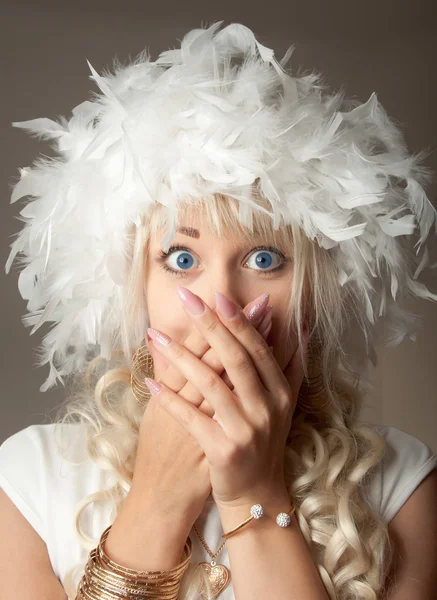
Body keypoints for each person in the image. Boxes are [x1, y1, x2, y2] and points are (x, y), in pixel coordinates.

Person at [1, 20, 437, 600]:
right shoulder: (29, 479)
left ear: (315, 289)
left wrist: (253, 496)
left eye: (264, 257)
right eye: (181, 258)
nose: (221, 303)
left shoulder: (402, 484)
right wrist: (157, 502)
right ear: (137, 287)